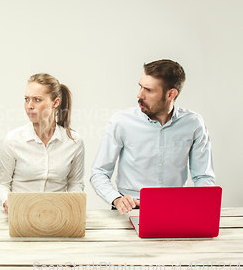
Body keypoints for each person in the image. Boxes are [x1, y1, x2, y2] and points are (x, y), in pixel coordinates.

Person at [90, 59, 215, 215]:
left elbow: (203, 176)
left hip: (175, 208)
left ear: (171, 94)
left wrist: (198, 206)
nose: (139, 94)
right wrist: (116, 199)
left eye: (148, 90)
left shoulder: (193, 124)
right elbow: (99, 172)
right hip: (130, 209)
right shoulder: (121, 122)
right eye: (140, 86)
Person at [0, 73, 85, 214]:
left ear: (55, 102)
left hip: (58, 215)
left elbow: (75, 183)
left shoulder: (74, 141)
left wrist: (73, 204)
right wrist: (7, 202)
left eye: (37, 100)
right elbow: (1, 184)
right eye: (26, 99)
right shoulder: (12, 140)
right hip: (21, 214)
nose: (29, 106)